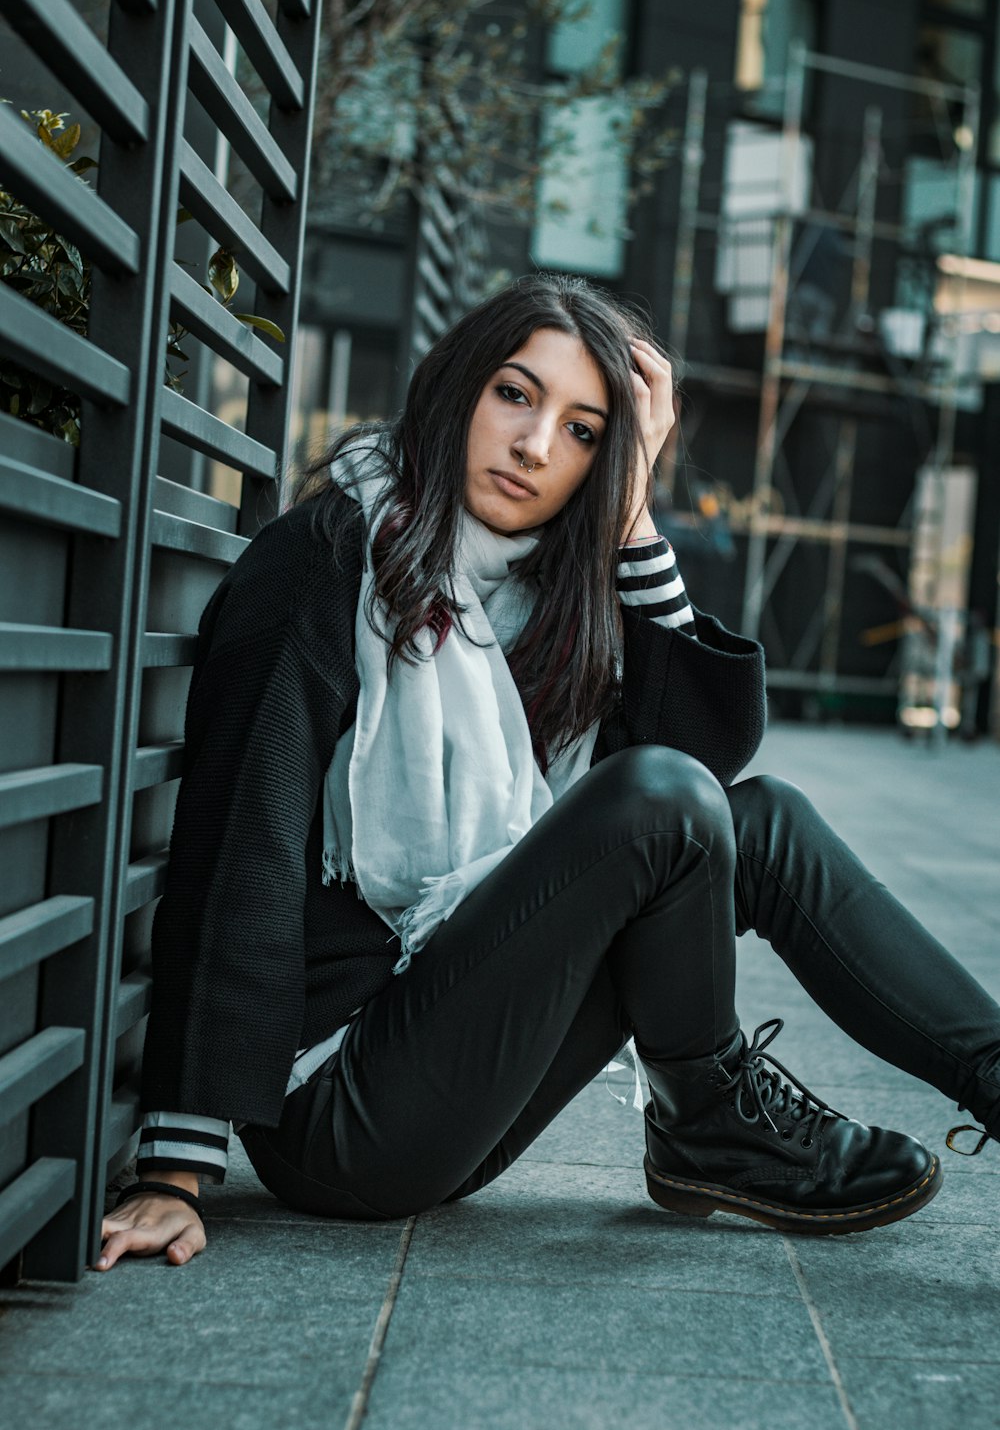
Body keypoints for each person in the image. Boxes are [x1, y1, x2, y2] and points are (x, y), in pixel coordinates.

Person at [97, 274, 1000, 1271]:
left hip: (460, 1059)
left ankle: (983, 1074)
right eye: (515, 396)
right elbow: (240, 838)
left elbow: (704, 771)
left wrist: (632, 519)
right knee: (657, 799)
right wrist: (173, 1167)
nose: (535, 445)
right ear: (457, 388)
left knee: (760, 820)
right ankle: (708, 1114)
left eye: (582, 431)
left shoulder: (541, 592)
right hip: (343, 1108)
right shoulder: (326, 556)